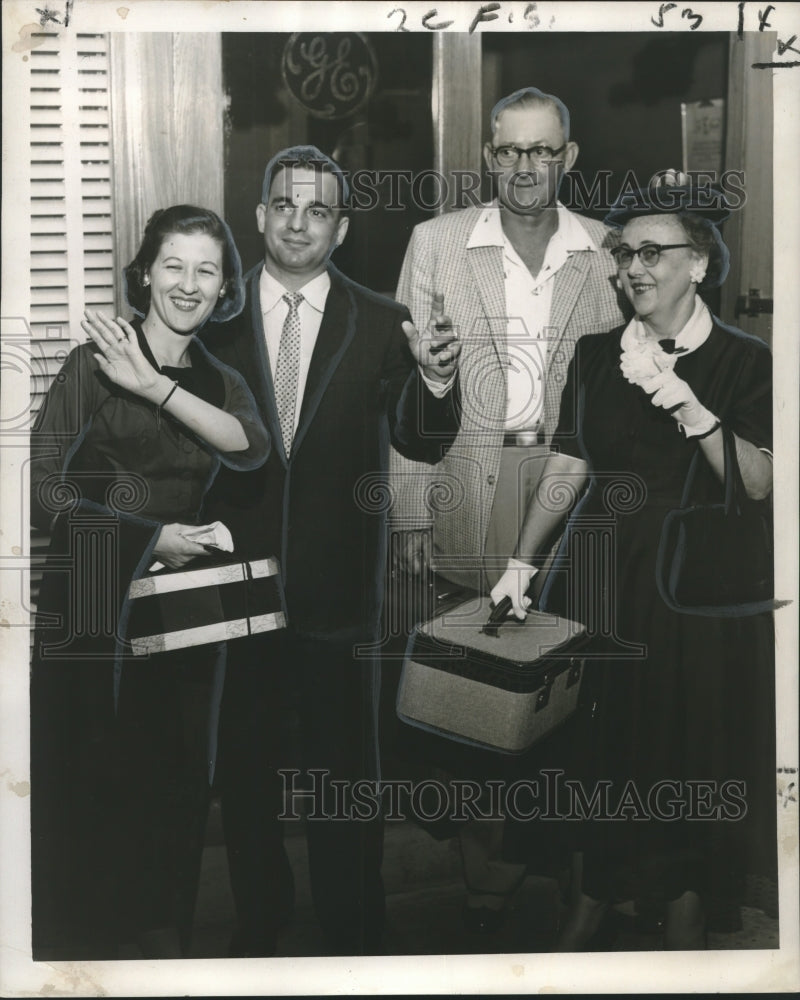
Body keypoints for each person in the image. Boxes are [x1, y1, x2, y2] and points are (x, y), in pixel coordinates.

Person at [490, 177, 775, 949]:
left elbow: (755, 481)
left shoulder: (748, 360)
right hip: (600, 576)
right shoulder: (594, 355)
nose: (633, 268)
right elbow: (568, 467)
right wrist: (520, 563)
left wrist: (681, 396)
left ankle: (679, 921)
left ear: (701, 265)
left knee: (677, 755)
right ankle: (599, 901)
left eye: (653, 252)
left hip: (689, 592)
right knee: (599, 753)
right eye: (624, 254)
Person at [200, 145, 462, 956]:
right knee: (243, 773)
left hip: (339, 591)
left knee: (347, 777)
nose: (298, 223)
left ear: (341, 228)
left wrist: (439, 383)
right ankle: (262, 920)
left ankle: (354, 926)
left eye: (318, 210)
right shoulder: (210, 313)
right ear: (258, 215)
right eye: (284, 204)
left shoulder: (382, 320)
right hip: (232, 589)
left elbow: (423, 443)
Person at [387, 86, 629, 929]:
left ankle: (555, 860)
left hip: (569, 499)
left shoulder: (606, 250)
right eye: (510, 151)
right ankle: (479, 875)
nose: (527, 167)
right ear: (489, 157)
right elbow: (410, 389)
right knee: (473, 688)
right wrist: (414, 510)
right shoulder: (436, 242)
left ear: (570, 157)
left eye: (544, 150)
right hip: (465, 488)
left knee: (561, 689)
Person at [30, 205, 270, 959]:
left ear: (225, 285)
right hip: (94, 600)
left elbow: (251, 449)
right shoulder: (88, 364)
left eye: (207, 270)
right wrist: (148, 537)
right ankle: (85, 956)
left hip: (181, 616)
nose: (189, 285)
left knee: (174, 786)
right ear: (145, 272)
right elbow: (41, 487)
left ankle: (164, 955)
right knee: (93, 780)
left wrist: (155, 385)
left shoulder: (219, 379)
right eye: (174, 265)